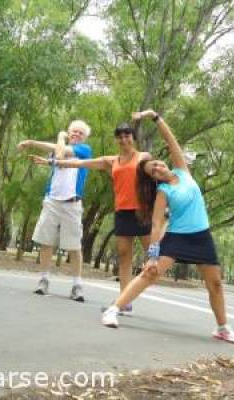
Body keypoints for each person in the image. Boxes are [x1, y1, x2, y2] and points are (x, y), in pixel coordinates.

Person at [100, 109, 234, 344]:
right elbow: (156, 225)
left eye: (157, 164)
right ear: (154, 178)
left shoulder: (183, 171)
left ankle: (223, 328)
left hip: (201, 236)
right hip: (177, 238)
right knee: (150, 273)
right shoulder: (162, 192)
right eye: (153, 171)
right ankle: (114, 310)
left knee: (215, 283)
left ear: (164, 163)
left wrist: (155, 117)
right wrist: (153, 256)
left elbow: (171, 140)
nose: (157, 168)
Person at [47, 123, 152, 315]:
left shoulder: (143, 157)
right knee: (124, 257)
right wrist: (56, 162)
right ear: (117, 140)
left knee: (154, 259)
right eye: (120, 136)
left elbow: (157, 175)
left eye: (127, 135)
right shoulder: (112, 161)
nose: (124, 139)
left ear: (134, 138)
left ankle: (137, 288)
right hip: (122, 212)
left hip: (142, 212)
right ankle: (125, 302)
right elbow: (81, 163)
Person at [17, 120, 93, 301]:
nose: (76, 134)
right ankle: (43, 280)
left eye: (80, 133)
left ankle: (77, 285)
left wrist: (60, 136)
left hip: (72, 204)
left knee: (74, 246)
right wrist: (32, 143)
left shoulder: (84, 150)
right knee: (46, 242)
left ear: (84, 137)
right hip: (52, 201)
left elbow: (59, 151)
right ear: (70, 131)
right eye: (73, 131)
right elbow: (51, 147)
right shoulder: (61, 146)